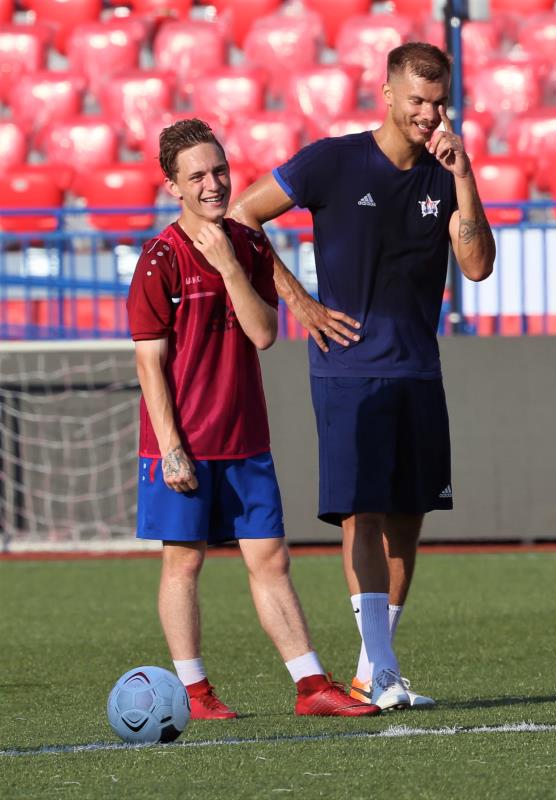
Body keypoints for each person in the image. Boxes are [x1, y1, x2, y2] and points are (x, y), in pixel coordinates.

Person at [229, 42, 495, 711]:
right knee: (362, 513)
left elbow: (477, 266)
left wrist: (465, 177)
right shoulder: (333, 160)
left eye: (439, 103)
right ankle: (380, 671)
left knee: (408, 521)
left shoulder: (446, 172)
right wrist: (298, 300)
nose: (429, 114)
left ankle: (373, 669)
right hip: (348, 369)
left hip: (419, 370)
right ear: (388, 93)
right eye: (418, 101)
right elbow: (241, 215)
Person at [127, 118, 379, 719]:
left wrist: (230, 266)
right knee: (184, 562)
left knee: (272, 560)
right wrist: (171, 447)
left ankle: (311, 686)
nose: (213, 184)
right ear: (173, 186)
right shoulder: (159, 259)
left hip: (245, 439)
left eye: (219, 170)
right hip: (183, 443)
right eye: (197, 176)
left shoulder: (249, 245)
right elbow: (148, 364)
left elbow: (264, 333)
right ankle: (194, 693)